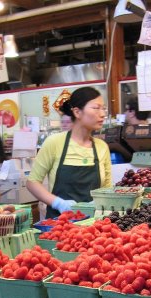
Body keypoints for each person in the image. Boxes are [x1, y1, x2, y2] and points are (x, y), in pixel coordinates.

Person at [27, 86, 112, 217]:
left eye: (103, 108)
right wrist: (58, 203)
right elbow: (32, 182)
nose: (102, 114)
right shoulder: (54, 143)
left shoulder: (102, 147)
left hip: (94, 226)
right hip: (59, 226)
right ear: (77, 112)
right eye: (96, 108)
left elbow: (107, 189)